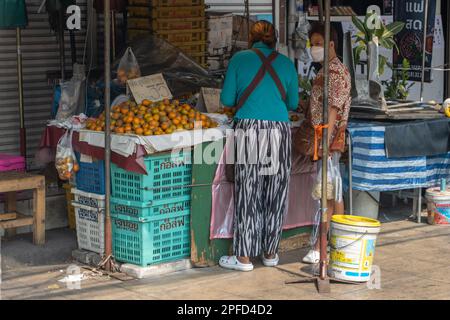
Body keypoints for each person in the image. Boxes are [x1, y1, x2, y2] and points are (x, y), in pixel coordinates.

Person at [218, 20, 299, 272]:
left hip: (250, 128)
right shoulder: (286, 64)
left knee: (249, 190)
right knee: (276, 190)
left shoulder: (239, 60)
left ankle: (243, 257)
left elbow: (226, 99)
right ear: (274, 39)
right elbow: (293, 103)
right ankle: (271, 253)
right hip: (279, 129)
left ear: (250, 38)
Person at [296, 22, 352, 264]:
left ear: (331, 44)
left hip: (327, 140)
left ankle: (322, 247)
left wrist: (326, 143)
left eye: (319, 44)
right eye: (312, 44)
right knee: (332, 191)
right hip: (324, 138)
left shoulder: (336, 73)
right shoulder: (324, 70)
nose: (314, 48)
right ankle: (336, 244)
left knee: (328, 194)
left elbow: (333, 110)